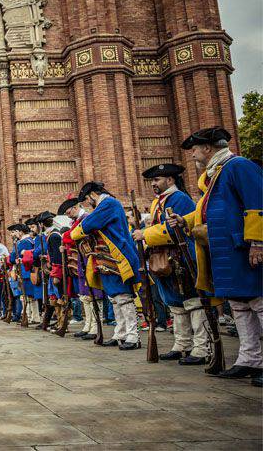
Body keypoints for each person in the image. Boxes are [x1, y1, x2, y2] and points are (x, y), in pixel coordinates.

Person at [168, 127, 262, 384]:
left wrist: (258, 243)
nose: (194, 154)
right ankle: (249, 359)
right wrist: (184, 221)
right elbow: (206, 211)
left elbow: (257, 203)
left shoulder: (238, 166)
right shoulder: (216, 174)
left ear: (208, 148)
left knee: (259, 303)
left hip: (244, 247)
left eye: (196, 149)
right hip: (226, 250)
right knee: (240, 306)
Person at [132, 163, 208, 365]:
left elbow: (175, 229)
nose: (153, 184)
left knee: (193, 301)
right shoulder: (160, 202)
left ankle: (202, 347)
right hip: (166, 257)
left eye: (157, 180)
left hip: (183, 256)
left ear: (170, 180)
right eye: (153, 181)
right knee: (176, 303)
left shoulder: (179, 199)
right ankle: (182, 344)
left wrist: (145, 234)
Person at [70, 181, 142, 350]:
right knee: (115, 298)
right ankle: (121, 333)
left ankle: (133, 335)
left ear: (92, 195)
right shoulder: (106, 204)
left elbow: (88, 225)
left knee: (123, 298)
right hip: (108, 257)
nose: (89, 204)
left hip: (119, 255)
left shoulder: (108, 203)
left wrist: (74, 233)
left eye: (88, 200)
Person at [60, 196, 103, 340]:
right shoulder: (77, 221)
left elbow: (70, 237)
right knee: (85, 295)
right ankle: (88, 325)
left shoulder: (85, 218)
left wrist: (66, 237)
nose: (68, 215)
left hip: (89, 258)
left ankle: (96, 326)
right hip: (82, 259)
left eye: (68, 212)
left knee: (94, 294)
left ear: (76, 207)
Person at [9, 223, 37, 324]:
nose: (14, 234)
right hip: (27, 270)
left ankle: (30, 316)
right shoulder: (27, 241)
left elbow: (12, 258)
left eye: (15, 231)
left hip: (25, 270)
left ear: (20, 232)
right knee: (30, 295)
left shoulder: (23, 242)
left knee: (27, 295)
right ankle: (33, 316)